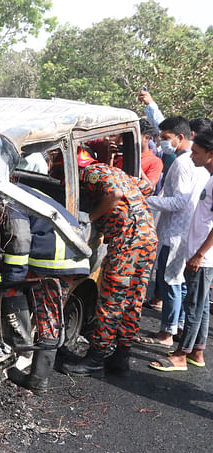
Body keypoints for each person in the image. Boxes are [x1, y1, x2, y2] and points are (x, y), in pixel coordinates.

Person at [61, 160, 157, 376]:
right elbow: (148, 187)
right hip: (147, 238)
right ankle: (121, 357)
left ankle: (95, 358)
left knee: (111, 301)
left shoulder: (90, 173)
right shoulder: (119, 174)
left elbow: (113, 195)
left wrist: (91, 217)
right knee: (133, 300)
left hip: (127, 243)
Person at [3, 184, 91, 392]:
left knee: (31, 304)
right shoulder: (29, 191)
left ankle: (33, 372)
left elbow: (20, 237)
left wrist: (13, 276)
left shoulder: (8, 197)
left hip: (53, 262)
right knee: (50, 316)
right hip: (73, 256)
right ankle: (37, 374)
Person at [138, 117, 209, 347]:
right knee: (179, 283)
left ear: (180, 137)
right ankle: (176, 327)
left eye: (166, 138)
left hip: (174, 232)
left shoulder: (183, 162)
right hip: (187, 232)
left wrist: (148, 201)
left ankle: (167, 333)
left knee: (170, 282)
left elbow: (179, 202)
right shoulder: (199, 164)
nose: (162, 142)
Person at [149, 129, 213, 371]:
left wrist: (199, 254)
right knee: (202, 304)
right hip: (197, 249)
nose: (192, 156)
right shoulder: (208, 176)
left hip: (202, 254)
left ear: (210, 153)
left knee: (194, 306)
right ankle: (197, 351)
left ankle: (180, 354)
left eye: (196, 152)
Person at [139, 118, 163, 190]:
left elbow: (150, 188)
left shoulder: (155, 162)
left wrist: (137, 167)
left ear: (146, 138)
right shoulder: (122, 157)